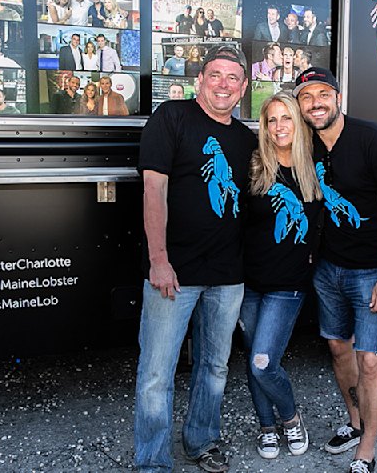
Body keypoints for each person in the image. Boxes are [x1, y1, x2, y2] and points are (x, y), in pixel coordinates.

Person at [134, 45, 254, 473]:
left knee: (215, 368)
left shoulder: (246, 140)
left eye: (233, 78)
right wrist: (159, 259)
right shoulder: (172, 117)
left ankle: (201, 442)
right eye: (215, 75)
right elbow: (153, 190)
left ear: (243, 88)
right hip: (175, 272)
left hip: (227, 273)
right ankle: (151, 462)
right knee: (156, 373)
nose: (224, 84)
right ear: (201, 79)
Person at [294, 67, 377, 473]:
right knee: (339, 348)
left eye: (323, 93)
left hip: (370, 272)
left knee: (372, 360)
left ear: (338, 96)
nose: (316, 103)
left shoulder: (373, 139)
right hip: (327, 269)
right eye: (307, 97)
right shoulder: (304, 143)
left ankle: (368, 449)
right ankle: (355, 421)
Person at [240, 91, 321, 461]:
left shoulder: (314, 168)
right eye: (271, 120)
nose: (278, 127)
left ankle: (290, 419)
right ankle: (266, 427)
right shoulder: (255, 165)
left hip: (288, 285)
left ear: (298, 122)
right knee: (254, 359)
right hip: (249, 282)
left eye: (285, 118)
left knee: (262, 361)